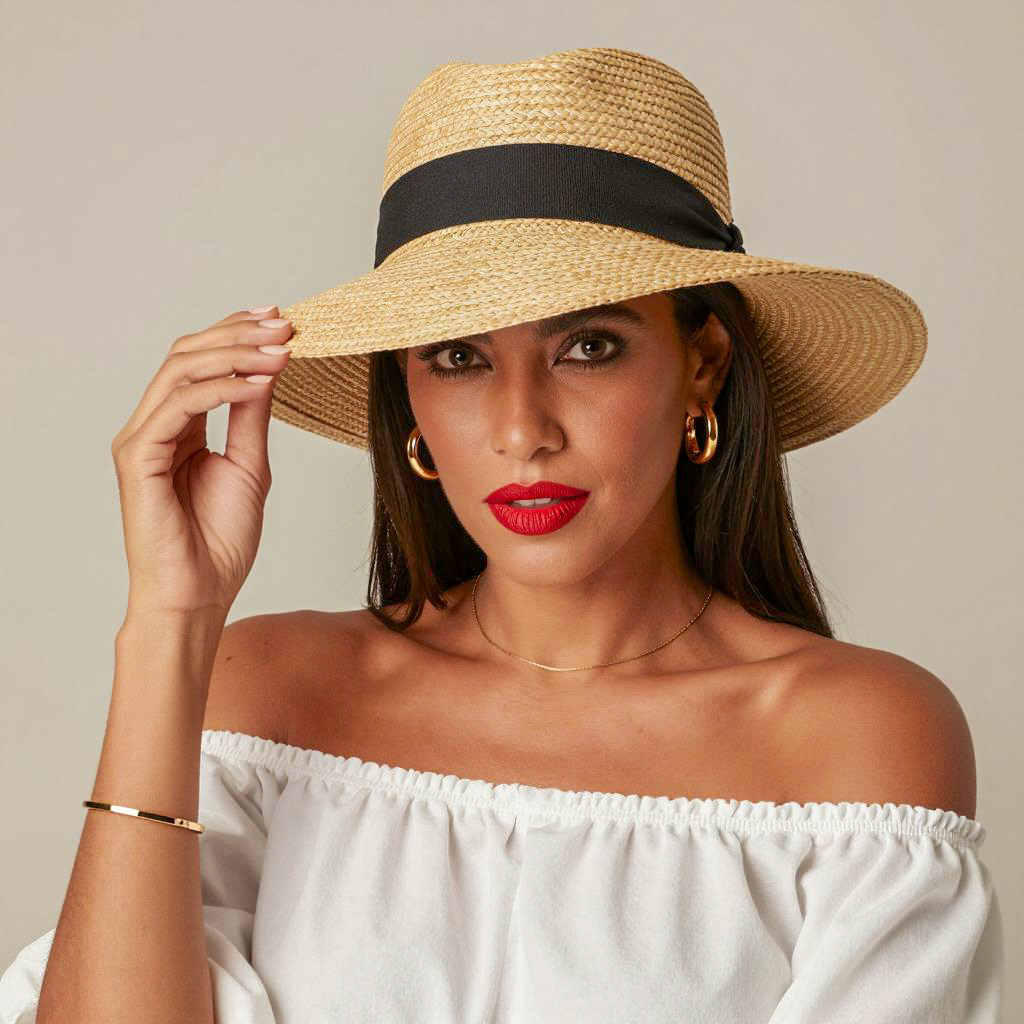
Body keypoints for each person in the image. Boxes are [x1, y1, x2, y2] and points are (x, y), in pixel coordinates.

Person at [0, 45, 1004, 1023]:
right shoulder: (266, 697)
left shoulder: (854, 738)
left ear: (703, 364)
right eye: (459, 357)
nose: (523, 430)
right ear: (408, 394)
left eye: (588, 345)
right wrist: (170, 624)